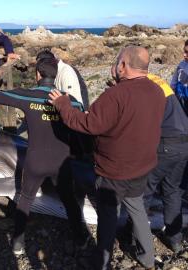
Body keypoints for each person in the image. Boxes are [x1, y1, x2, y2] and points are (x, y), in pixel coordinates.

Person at [49, 46, 167, 270]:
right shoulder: (156, 90)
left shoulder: (115, 96)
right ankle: (147, 257)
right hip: (142, 166)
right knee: (137, 209)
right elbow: (136, 116)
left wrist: (63, 104)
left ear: (123, 66)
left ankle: (101, 263)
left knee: (108, 217)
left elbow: (87, 124)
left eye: (117, 62)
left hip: (114, 171)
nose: (114, 66)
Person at [0, 57, 91, 255]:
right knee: (69, 200)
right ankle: (80, 239)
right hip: (61, 162)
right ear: (56, 75)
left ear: (37, 74)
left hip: (35, 160)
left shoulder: (28, 96)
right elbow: (82, 123)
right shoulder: (71, 101)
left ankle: (18, 243)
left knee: (26, 198)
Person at [143, 74, 188, 253]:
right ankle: (175, 240)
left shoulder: (143, 86)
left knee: (144, 189)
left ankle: (135, 238)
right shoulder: (156, 80)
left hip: (167, 142)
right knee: (172, 189)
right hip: (183, 140)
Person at [170, 39, 188, 115]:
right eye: (184, 51)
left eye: (187, 52)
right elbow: (173, 85)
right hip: (180, 104)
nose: (184, 55)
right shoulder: (181, 65)